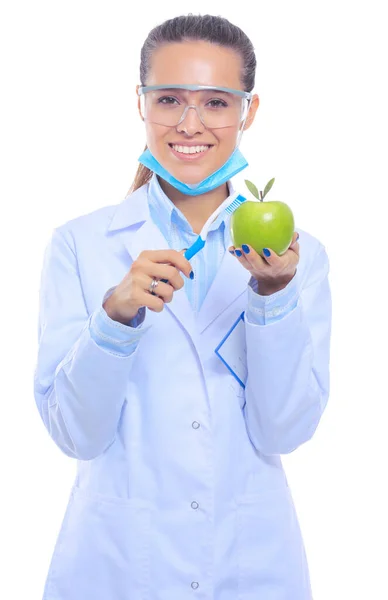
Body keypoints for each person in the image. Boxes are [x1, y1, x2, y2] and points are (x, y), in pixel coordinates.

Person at [34, 13, 332, 600]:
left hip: (251, 563)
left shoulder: (299, 256)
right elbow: (76, 436)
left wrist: (272, 298)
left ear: (248, 111)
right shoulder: (81, 244)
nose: (190, 124)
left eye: (217, 102)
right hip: (114, 564)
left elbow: (284, 429)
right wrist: (114, 320)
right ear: (139, 104)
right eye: (169, 98)